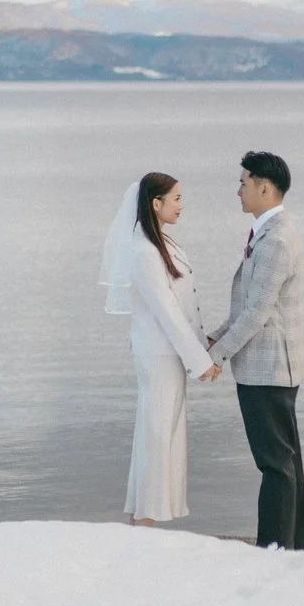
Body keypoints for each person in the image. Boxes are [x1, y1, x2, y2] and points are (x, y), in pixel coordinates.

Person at [100, 171, 222, 525]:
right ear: (157, 204)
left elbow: (184, 307)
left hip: (169, 354)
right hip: (158, 355)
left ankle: (149, 518)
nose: (182, 206)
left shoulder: (162, 244)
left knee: (164, 433)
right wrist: (201, 362)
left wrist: (203, 348)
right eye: (177, 198)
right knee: (157, 434)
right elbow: (167, 312)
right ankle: (145, 520)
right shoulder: (143, 251)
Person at [206, 151, 304, 550]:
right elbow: (250, 306)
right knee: (286, 462)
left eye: (243, 183)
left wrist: (216, 357)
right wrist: (215, 337)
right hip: (270, 368)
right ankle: (293, 547)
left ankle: (275, 551)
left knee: (275, 465)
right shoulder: (269, 233)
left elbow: (257, 315)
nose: (238, 191)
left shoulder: (277, 240)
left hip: (268, 370)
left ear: (264, 187)